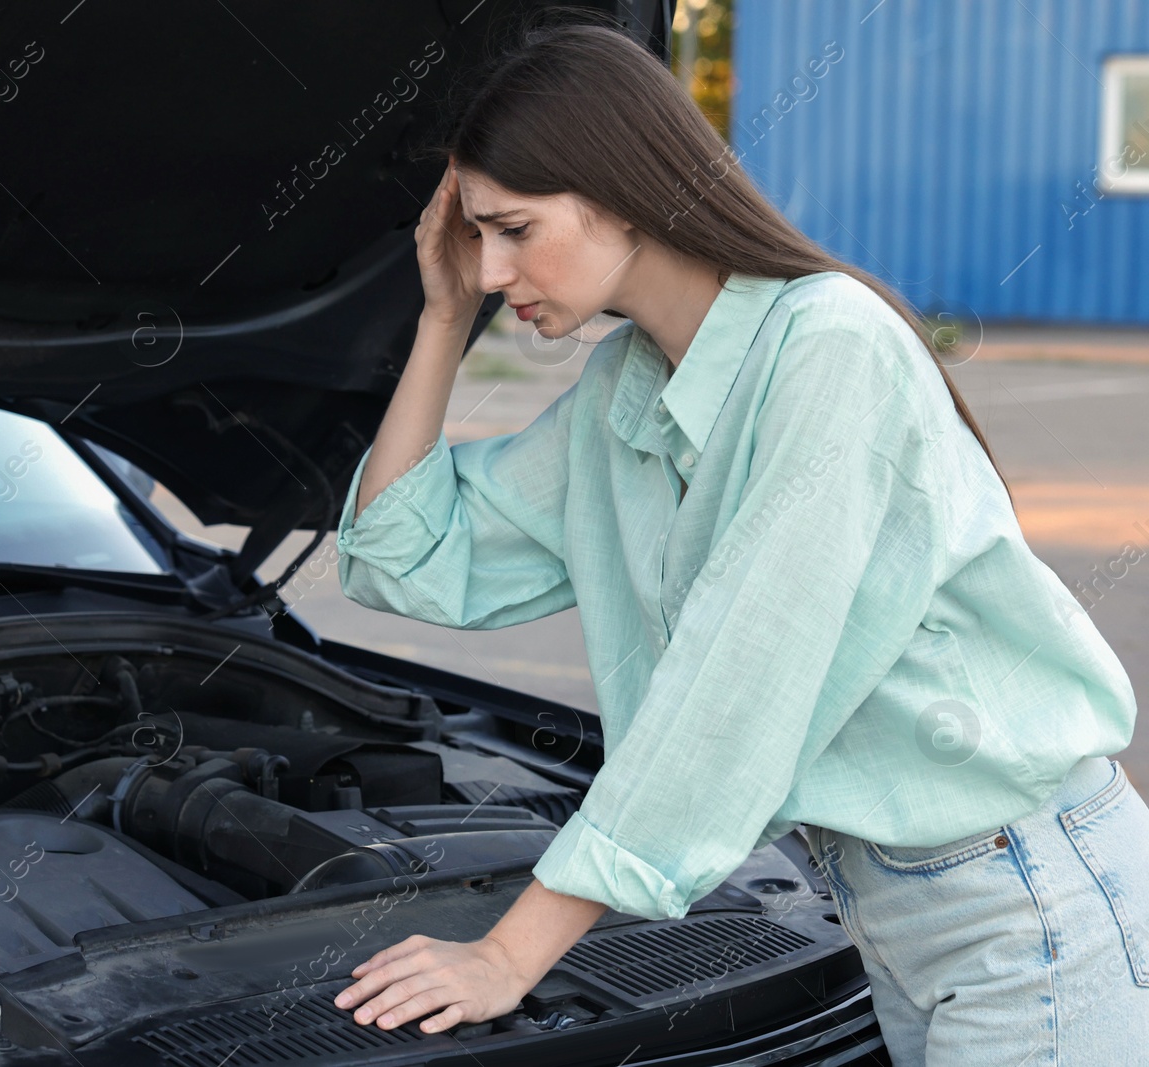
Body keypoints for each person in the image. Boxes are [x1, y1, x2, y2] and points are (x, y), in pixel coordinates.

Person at [328, 10, 1149, 1063]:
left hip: (1027, 906)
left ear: (623, 193)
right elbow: (400, 557)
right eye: (473, 236)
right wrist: (442, 321)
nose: (489, 269)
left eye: (514, 229)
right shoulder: (624, 395)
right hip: (894, 907)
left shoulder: (829, 348)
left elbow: (736, 680)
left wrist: (508, 953)